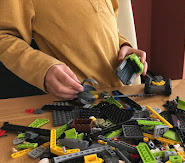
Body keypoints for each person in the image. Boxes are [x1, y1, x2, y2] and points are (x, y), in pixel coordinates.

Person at [0, 0, 147, 99]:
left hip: (119, 95)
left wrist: (123, 46)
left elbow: (107, 24)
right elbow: (4, 37)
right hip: (77, 102)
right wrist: (42, 69)